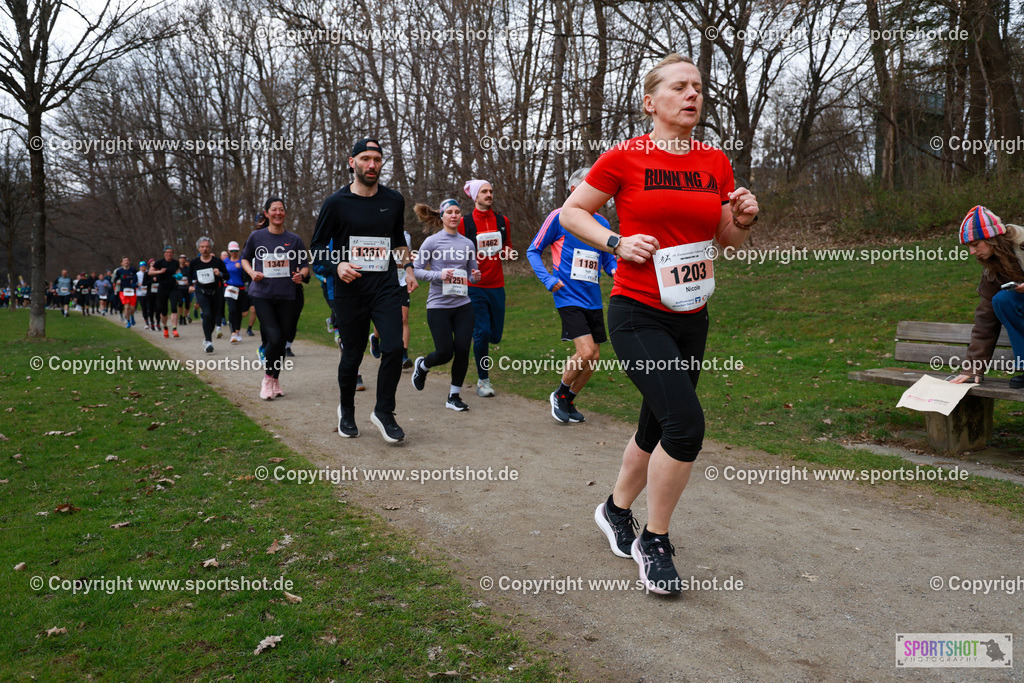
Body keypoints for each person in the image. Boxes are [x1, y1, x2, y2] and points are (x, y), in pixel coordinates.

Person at [561, 54, 759, 595]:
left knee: (657, 422)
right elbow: (571, 213)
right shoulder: (624, 158)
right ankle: (656, 541)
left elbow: (728, 240)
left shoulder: (714, 161)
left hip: (692, 314)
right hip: (636, 312)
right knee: (685, 426)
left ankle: (614, 509)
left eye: (697, 86)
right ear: (651, 101)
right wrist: (617, 242)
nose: (692, 94)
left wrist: (742, 216)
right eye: (679, 86)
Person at [309, 137, 417, 443]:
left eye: (377, 159)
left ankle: (384, 412)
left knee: (395, 347)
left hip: (384, 287)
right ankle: (346, 410)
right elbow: (317, 249)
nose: (372, 165)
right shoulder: (336, 203)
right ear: (352, 162)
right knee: (352, 355)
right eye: (366, 159)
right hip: (350, 290)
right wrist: (337, 266)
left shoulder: (394, 200)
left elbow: (398, 240)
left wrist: (407, 268)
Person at [528, 167, 617, 424]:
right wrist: (548, 279)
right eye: (590, 186)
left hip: (592, 298)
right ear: (574, 190)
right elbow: (533, 250)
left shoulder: (602, 223)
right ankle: (559, 394)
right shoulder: (559, 216)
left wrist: (619, 272)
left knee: (594, 358)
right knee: (586, 352)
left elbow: (607, 261)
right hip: (567, 295)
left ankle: (568, 400)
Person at [410, 199, 481, 411]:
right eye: (449, 212)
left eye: (457, 212)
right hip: (438, 305)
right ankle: (423, 365)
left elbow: (472, 273)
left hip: (463, 305)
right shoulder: (432, 242)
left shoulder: (468, 243)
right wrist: (438, 275)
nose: (454, 215)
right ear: (441, 217)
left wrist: (475, 277)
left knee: (462, 349)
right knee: (445, 352)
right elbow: (418, 269)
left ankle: (454, 396)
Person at [241, 197, 309, 400]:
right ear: (266, 213)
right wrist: (252, 273)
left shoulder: (294, 239)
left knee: (282, 342)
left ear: (285, 213)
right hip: (262, 295)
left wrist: (301, 275)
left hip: (288, 296)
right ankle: (267, 378)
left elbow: (305, 266)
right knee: (275, 338)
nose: (278, 213)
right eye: (274, 209)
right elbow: (244, 258)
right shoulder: (256, 237)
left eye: (281, 209)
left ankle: (275, 380)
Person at [950, 206, 1024, 387]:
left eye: (975, 245)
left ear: (992, 238)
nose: (972, 252)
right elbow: (985, 323)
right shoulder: (992, 271)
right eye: (969, 247)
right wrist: (973, 368)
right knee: (1001, 300)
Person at [459, 178, 514, 397]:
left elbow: (507, 246)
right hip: (475, 286)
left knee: (495, 335)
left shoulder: (503, 221)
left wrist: (508, 252)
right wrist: (468, 268)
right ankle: (484, 380)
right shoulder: (465, 223)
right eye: (484, 191)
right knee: (481, 331)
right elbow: (457, 251)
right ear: (475, 196)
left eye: (491, 191)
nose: (489, 195)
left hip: (497, 284)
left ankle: (480, 336)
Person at [369, 228, 414, 368]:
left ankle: (404, 355)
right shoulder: (377, 233)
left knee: (404, 318)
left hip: (401, 281)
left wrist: (410, 264)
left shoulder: (406, 236)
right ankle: (375, 338)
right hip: (385, 282)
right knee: (382, 316)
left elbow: (408, 255)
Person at [189, 237, 227, 353]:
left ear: (210, 248)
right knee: (207, 314)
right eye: (202, 247)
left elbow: (227, 276)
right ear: (199, 248)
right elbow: (190, 276)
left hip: (216, 292)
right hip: (201, 292)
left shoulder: (217, 261)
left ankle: (206, 339)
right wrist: (190, 286)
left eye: (206, 247)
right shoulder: (194, 262)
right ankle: (209, 342)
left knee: (214, 317)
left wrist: (219, 273)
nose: (204, 249)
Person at [149, 246, 181, 337]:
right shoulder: (159, 262)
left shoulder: (175, 262)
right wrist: (159, 272)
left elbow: (178, 271)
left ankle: (174, 329)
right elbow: (150, 272)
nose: (169, 254)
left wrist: (179, 275)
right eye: (167, 252)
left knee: (174, 307)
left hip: (173, 287)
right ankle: (165, 327)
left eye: (171, 252)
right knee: (164, 311)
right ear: (164, 253)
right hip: (162, 288)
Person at [223, 241, 251, 343]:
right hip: (229, 288)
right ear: (229, 251)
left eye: (235, 250)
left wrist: (242, 269)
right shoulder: (225, 262)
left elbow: (246, 276)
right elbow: (223, 274)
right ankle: (233, 333)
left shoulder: (242, 261)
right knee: (232, 309)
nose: (234, 252)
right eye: (232, 251)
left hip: (241, 289)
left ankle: (237, 331)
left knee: (239, 311)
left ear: (238, 250)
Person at [113, 257, 137, 327]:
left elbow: (137, 278)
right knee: (126, 307)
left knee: (132, 308)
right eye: (124, 260)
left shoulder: (133, 270)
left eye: (127, 260)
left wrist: (134, 282)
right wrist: (117, 282)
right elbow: (115, 279)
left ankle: (132, 316)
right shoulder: (119, 271)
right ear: (122, 263)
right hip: (123, 291)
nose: (126, 261)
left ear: (129, 262)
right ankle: (128, 321)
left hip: (132, 290)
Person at [176, 254, 192, 326]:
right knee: (180, 303)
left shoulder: (188, 269)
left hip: (186, 288)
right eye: (181, 258)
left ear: (185, 260)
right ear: (179, 259)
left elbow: (191, 278)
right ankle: (180, 317)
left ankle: (184, 317)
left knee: (187, 304)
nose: (182, 260)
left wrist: (189, 281)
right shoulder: (177, 269)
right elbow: (174, 276)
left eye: (184, 258)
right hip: (179, 288)